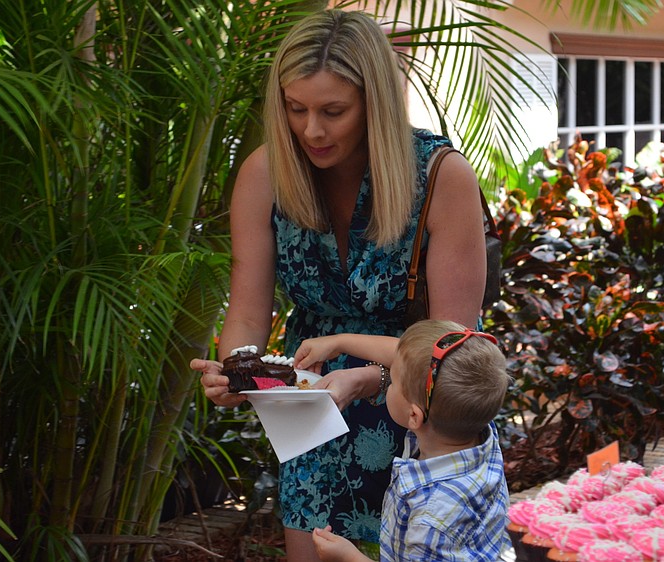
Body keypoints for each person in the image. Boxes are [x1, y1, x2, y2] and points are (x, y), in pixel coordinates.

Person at [190, 9, 487, 561]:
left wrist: (372, 377)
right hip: (310, 414)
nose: (311, 130)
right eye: (295, 109)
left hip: (422, 421)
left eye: (334, 111)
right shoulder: (265, 173)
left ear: (374, 102)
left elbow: (452, 353)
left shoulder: (441, 176)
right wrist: (238, 371)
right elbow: (248, 317)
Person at [295, 320, 511, 561]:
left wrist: (348, 557)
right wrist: (339, 342)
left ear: (413, 416)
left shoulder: (431, 516)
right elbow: (404, 354)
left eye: (393, 380)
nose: (388, 378)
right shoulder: (474, 428)